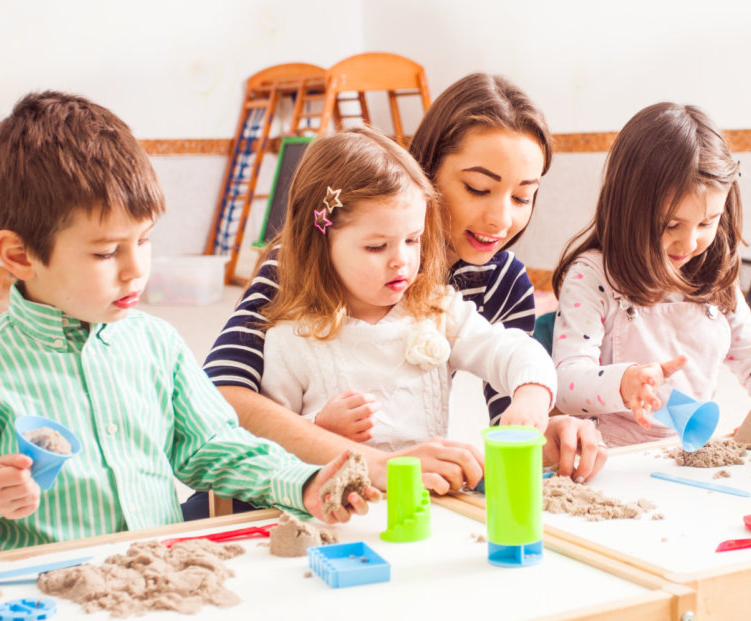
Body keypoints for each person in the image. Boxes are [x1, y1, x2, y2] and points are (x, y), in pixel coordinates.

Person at [0, 91, 376, 556]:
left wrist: (303, 482)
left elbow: (216, 446)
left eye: (144, 240)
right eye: (105, 252)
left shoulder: (156, 345)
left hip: (152, 574)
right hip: (39, 592)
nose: (136, 269)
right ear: (19, 255)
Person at [198, 74, 605, 507]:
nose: (500, 220)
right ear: (424, 174)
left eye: (523, 197)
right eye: (478, 188)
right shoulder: (304, 267)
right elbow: (226, 402)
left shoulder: (482, 290)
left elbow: (513, 400)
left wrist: (550, 428)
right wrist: (354, 451)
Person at [252, 126, 556, 465]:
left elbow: (513, 350)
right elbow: (266, 449)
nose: (402, 259)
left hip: (426, 501)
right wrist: (320, 428)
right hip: (339, 511)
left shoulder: (437, 310)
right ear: (322, 246)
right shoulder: (293, 336)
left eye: (413, 240)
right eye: (377, 246)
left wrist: (531, 392)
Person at [549, 102, 751, 447]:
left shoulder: (714, 280)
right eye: (671, 224)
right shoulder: (593, 277)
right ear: (629, 208)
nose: (689, 242)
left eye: (706, 222)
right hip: (611, 456)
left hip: (688, 455)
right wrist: (624, 382)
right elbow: (566, 382)